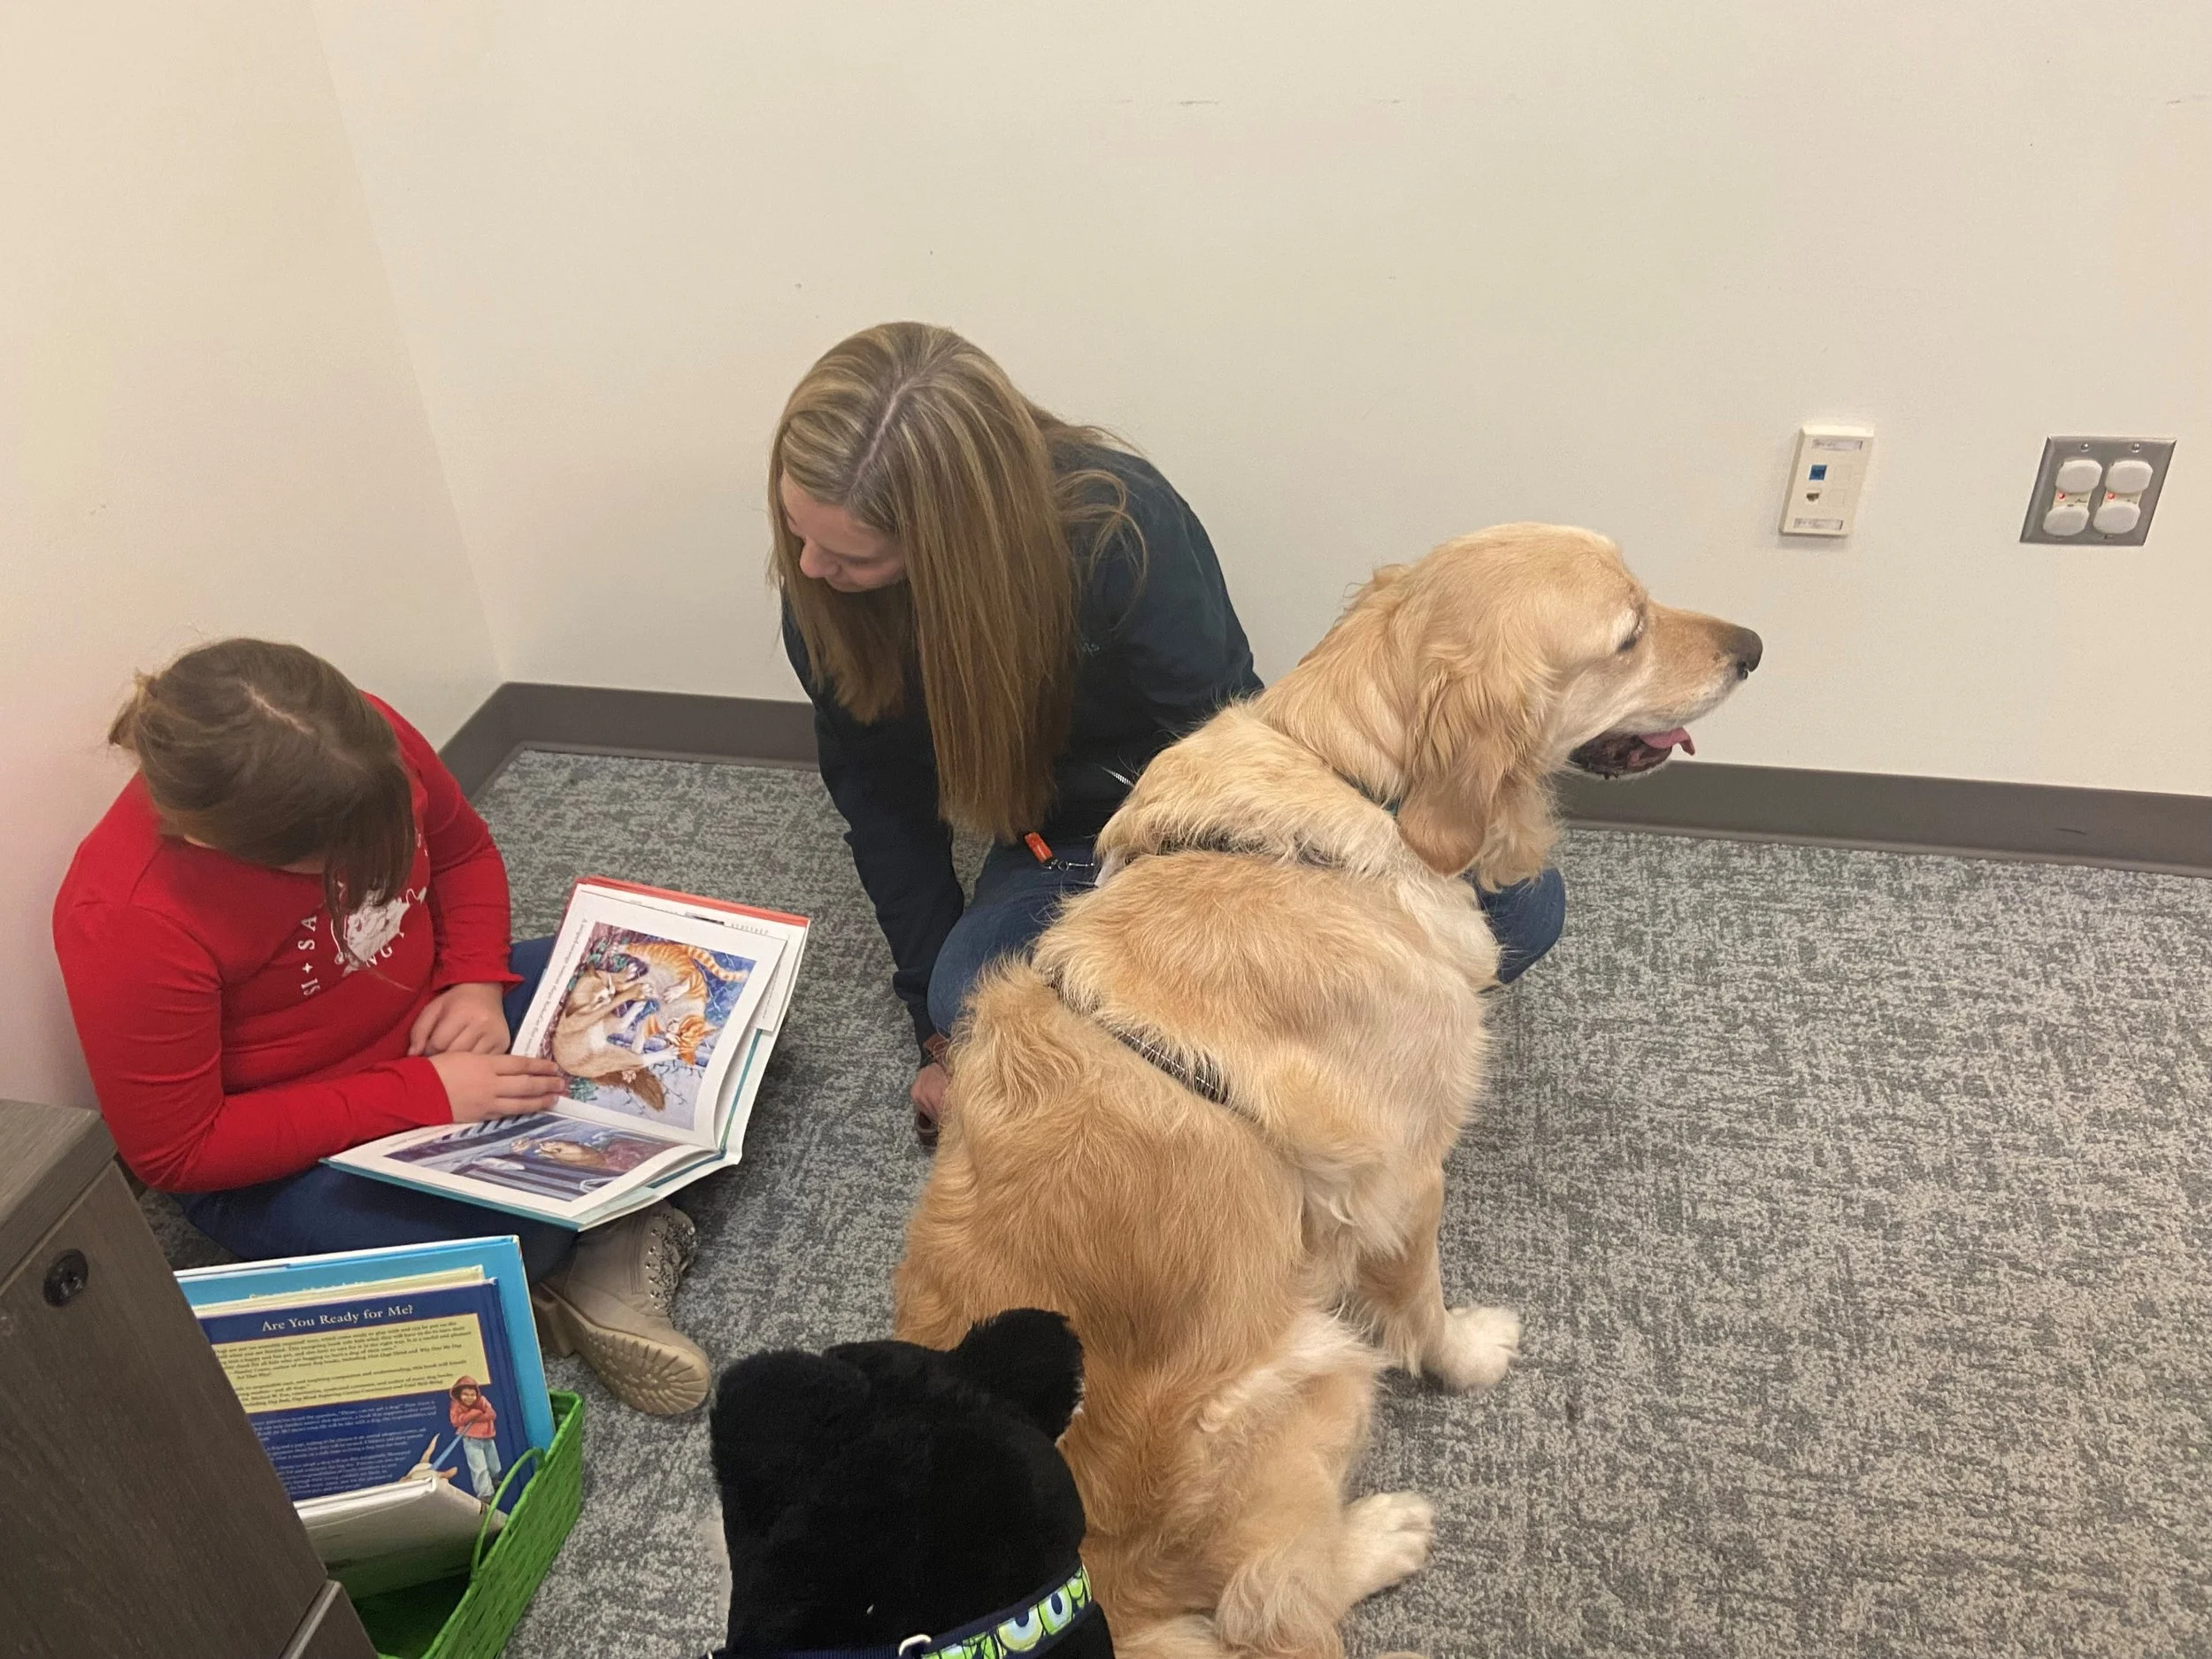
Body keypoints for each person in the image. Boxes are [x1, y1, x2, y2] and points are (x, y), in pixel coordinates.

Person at [771, 323, 1566, 1147]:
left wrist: (1227, 918)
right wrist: (939, 1037)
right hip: (1064, 842)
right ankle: (1235, 1063)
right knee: (964, 991)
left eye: (850, 555)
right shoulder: (825, 600)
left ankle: (1230, 1059)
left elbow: (1229, 737)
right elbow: (884, 814)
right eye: (800, 535)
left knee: (1523, 909)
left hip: (1194, 815)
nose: (811, 570)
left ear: (954, 547)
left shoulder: (1124, 531)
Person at [52, 639, 710, 1415]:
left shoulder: (363, 747)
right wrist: (423, 1092)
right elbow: (178, 1150)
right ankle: (597, 1247)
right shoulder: (131, 919)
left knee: (680, 985)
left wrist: (473, 980)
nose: (379, 865)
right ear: (213, 841)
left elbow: (464, 854)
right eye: (339, 861)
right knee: (512, 1238)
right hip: (290, 1146)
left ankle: (575, 1251)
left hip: (437, 1028)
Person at [448, 1375, 502, 1500]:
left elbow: (491, 1414)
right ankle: (485, 1494)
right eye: (465, 1394)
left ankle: (494, 1481)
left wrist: (477, 1417)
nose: (469, 1398)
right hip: (471, 1441)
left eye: (472, 1394)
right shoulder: (456, 1405)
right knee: (479, 1468)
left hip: (487, 1438)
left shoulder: (482, 1401)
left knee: (494, 1466)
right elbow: (456, 1421)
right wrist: (471, 1414)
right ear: (459, 1394)